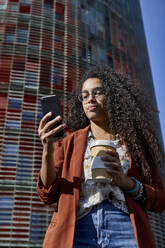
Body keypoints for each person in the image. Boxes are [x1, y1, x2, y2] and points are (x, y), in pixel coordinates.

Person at [37, 65, 165, 248]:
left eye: (98, 92)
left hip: (125, 227)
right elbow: (47, 194)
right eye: (85, 95)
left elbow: (160, 200)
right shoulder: (68, 142)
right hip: (78, 227)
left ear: (112, 97)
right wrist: (48, 148)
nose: (91, 99)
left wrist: (127, 183)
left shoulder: (135, 144)